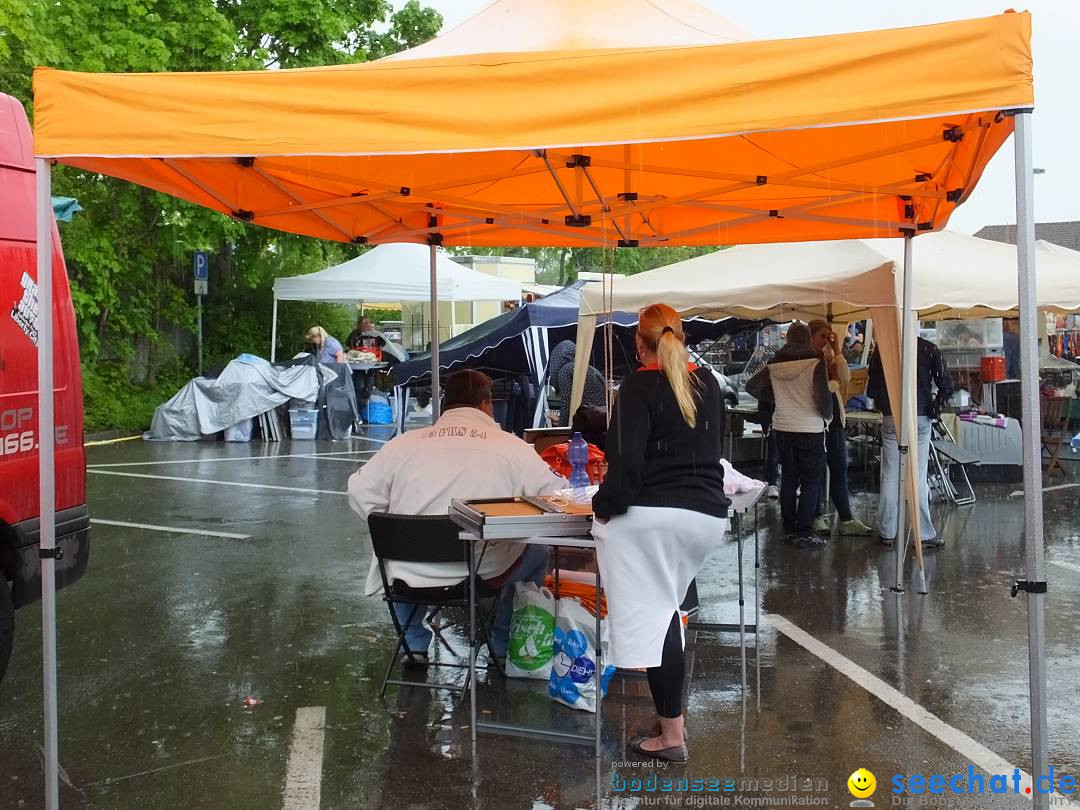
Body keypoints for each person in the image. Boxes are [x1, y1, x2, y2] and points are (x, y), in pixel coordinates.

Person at [348, 370, 566, 665]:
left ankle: (413, 644)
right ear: (486, 405)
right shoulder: (511, 446)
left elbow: (360, 492)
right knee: (537, 551)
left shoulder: (403, 444)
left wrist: (394, 528)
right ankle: (501, 643)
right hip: (480, 572)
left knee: (389, 550)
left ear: (445, 404)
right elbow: (556, 495)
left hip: (407, 572)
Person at [592, 304, 730, 764]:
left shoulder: (637, 386)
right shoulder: (709, 384)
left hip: (652, 520)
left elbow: (627, 466)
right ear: (681, 335)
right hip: (706, 518)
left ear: (638, 345)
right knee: (666, 610)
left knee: (657, 619)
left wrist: (602, 507)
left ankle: (672, 735)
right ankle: (673, 721)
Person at [746, 322, 831, 548]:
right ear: (806, 339)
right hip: (809, 428)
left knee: (790, 479)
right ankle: (804, 530)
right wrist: (828, 416)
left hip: (782, 426)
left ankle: (790, 527)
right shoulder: (815, 363)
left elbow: (751, 385)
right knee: (811, 481)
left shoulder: (775, 363)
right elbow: (824, 401)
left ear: (788, 339)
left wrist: (776, 399)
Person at [866, 336, 953, 549]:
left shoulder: (885, 347)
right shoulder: (928, 348)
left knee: (890, 474)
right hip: (921, 416)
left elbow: (872, 389)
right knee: (918, 475)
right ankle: (923, 535)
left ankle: (887, 533)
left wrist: (885, 402)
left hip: (891, 416)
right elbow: (947, 386)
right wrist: (934, 405)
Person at [808, 320, 874, 536]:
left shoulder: (828, 357)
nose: (827, 340)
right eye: (822, 336)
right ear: (811, 337)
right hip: (816, 421)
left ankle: (845, 518)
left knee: (839, 467)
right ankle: (816, 515)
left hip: (835, 419)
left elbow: (845, 377)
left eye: (829, 336)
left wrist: (837, 351)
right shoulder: (809, 359)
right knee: (817, 471)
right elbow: (820, 389)